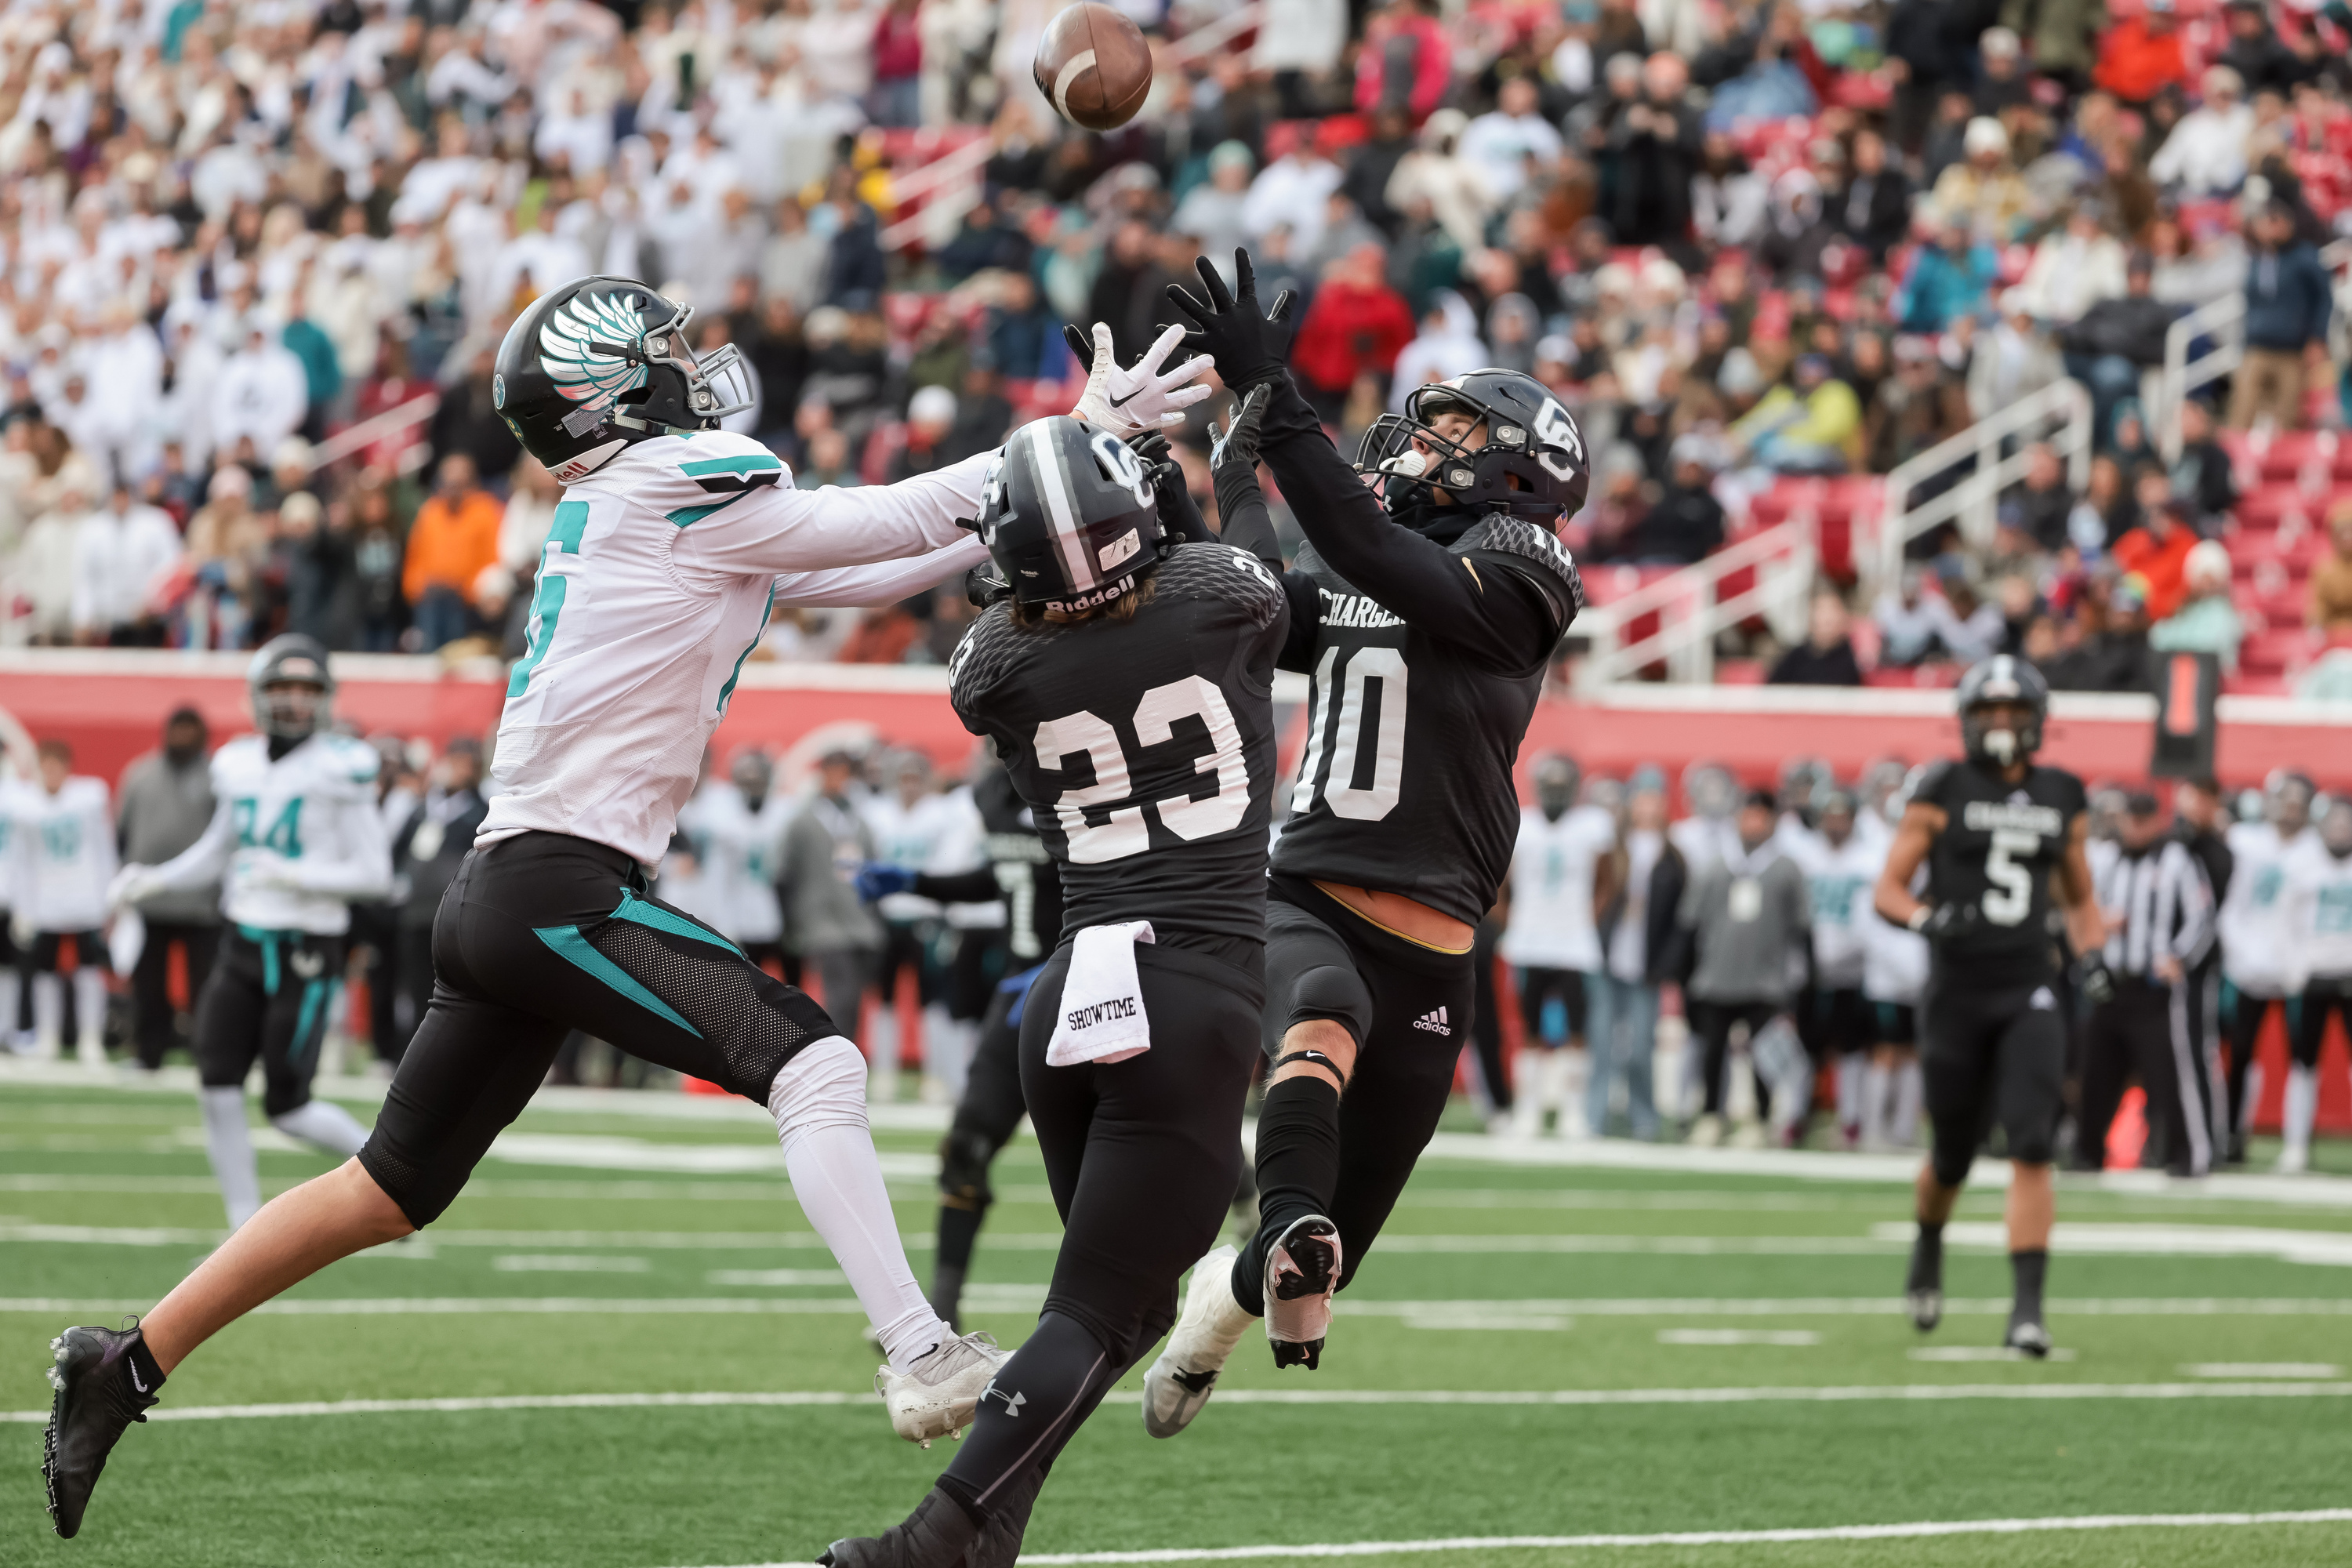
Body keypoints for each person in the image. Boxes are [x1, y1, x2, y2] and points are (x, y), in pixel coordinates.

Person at [39, 275, 1216, 1541]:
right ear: (614, 382)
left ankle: (123, 1364)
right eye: (665, 348)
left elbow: (890, 557)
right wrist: (1071, 432)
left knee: (384, 1187)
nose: (690, 362)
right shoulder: (673, 480)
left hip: (509, 890)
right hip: (555, 885)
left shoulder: (650, 507)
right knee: (813, 1060)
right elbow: (894, 510)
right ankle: (917, 1347)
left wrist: (1070, 467)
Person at [815, 406, 1290, 1567]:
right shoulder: (1226, 597)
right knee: (1098, 1308)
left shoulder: (993, 668)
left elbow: (1019, 621)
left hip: (1072, 996)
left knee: (1115, 1304)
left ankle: (993, 1529)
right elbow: (1240, 566)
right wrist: (1197, 476)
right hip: (1192, 995)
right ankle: (933, 1538)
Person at [1140, 250, 1588, 1422]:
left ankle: (1214, 1318)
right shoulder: (1371, 569)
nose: (1419, 445)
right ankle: (1271, 1242)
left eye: (1447, 431)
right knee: (1320, 1023)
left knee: (1325, 1241)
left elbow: (1368, 551)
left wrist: (1273, 399)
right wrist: (1215, 487)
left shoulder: (1523, 570)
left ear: (1518, 468)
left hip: (1437, 945)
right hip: (1311, 895)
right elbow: (1253, 596)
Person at [105, 639, 390, 1228]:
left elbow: (375, 875)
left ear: (327, 698)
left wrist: (296, 875)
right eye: (282, 688)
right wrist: (155, 880)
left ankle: (392, 1178)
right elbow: (219, 850)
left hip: (306, 948)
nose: (293, 701)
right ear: (258, 695)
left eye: (307, 690)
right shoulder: (237, 762)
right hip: (241, 942)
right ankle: (242, 1225)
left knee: (288, 1106)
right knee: (216, 1083)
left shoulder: (343, 767)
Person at [1874, 656, 2109, 1356]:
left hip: (2030, 983)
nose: (2002, 726)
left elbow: (2079, 896)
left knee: (2032, 1140)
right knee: (1952, 1154)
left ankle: (2027, 1312)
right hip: (1957, 989)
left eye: (2014, 713)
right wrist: (1923, 919)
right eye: (1990, 713)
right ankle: (1928, 1240)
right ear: (1969, 720)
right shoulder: (1943, 784)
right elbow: (1889, 887)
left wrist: (2091, 955)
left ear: (2037, 720)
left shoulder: (2063, 792)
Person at [858, 758, 1062, 1332]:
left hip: (1092, 990)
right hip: (1021, 994)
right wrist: (915, 882)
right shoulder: (996, 795)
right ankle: (940, 1309)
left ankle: (1239, 1189)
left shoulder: (1094, 789)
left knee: (1113, 1159)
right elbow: (1004, 874)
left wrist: (1069, 967)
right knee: (965, 1149)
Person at [2079, 791, 2216, 1176]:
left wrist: (2179, 958)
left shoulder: (2177, 861)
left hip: (2153, 988)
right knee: (2096, 1070)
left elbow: (2202, 918)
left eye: (2143, 820)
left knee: (2170, 1074)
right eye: (2130, 819)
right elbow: (2082, 908)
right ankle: (2086, 1152)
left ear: (2157, 821)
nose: (2135, 829)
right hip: (2111, 983)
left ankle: (2186, 1155)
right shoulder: (2105, 859)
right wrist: (2098, 928)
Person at [1680, 788, 1813, 1145]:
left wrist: (1799, 981)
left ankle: (1760, 1117)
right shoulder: (1717, 864)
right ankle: (1711, 1114)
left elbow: (1802, 928)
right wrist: (1688, 974)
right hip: (1716, 974)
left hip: (1765, 978)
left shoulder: (1786, 868)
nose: (1753, 823)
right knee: (1712, 1051)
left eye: (1760, 816)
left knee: (1763, 1053)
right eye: (1748, 815)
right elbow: (1691, 922)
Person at [1498, 755, 1618, 1138]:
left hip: (1573, 945)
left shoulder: (1592, 825)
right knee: (1531, 1029)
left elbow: (1607, 880)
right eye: (1549, 786)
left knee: (1577, 1030)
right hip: (1530, 942)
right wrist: (1511, 922)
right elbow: (1499, 883)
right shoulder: (1524, 824)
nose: (1554, 794)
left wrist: (1588, 922)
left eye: (1560, 786)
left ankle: (1573, 1112)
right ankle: (1528, 1110)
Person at [113, 708, 222, 1072]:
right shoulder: (140, 774)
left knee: (206, 987)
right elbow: (122, 832)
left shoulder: (217, 776)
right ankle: (148, 1051)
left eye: (191, 729)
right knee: (148, 985)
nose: (183, 737)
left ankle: (207, 1053)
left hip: (203, 901)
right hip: (150, 898)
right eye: (178, 729)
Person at [2216, 771, 2314, 1164]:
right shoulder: (2245, 842)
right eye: (2283, 799)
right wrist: (2237, 953)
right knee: (2239, 1055)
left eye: (2297, 801)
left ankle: (2297, 1145)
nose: (2290, 808)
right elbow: (2228, 902)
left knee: (2304, 1059)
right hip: (2246, 966)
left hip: (2301, 971)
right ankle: (2231, 1136)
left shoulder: (2316, 848)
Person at [384, 738, 491, 1068]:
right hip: (415, 912)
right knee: (414, 985)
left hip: (453, 913)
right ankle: (411, 1054)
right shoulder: (424, 809)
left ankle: (449, 1056)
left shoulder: (480, 811)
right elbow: (398, 853)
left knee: (451, 986)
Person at [1589, 775, 1683, 1141]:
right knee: (1602, 1043)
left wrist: (1667, 963)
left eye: (1653, 800)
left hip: (1646, 965)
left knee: (1642, 1046)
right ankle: (1594, 1116)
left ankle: (1644, 1117)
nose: (1646, 808)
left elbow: (1679, 916)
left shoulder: (1672, 856)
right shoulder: (1614, 848)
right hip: (1609, 958)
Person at [10, 739, 116, 1064]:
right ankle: (47, 1036)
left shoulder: (88, 798)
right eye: (47, 766)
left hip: (84, 896)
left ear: (68, 769)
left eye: (57, 766)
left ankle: (90, 1037)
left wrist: (109, 896)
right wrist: (22, 907)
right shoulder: (25, 806)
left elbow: (104, 846)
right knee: (44, 970)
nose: (52, 773)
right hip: (46, 899)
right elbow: (22, 859)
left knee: (89, 968)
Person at [1793, 789, 1883, 1146]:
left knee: (1851, 1047)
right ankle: (1795, 1115)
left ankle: (1850, 1120)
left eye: (1841, 816)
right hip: (1809, 968)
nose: (1835, 823)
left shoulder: (1868, 860)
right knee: (1803, 1046)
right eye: (1829, 816)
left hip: (1854, 968)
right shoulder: (1804, 857)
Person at [2277, 797, 2352, 1174]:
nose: (2341, 829)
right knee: (2303, 1064)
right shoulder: (2303, 863)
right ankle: (2295, 1146)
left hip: (2350, 973)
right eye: (2335, 822)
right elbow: (2285, 920)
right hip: (2314, 975)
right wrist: (2295, 968)